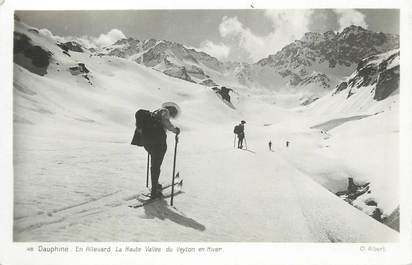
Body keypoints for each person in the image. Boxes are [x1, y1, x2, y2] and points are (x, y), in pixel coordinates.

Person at [142, 102, 180, 198]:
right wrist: (176, 130)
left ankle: (155, 184)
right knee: (156, 166)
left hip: (148, 142)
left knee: (154, 165)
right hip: (159, 144)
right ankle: (155, 191)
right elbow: (167, 123)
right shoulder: (164, 112)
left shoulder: (154, 113)